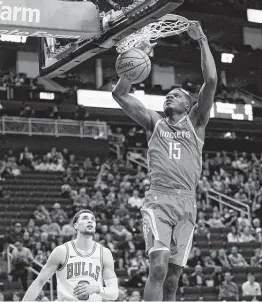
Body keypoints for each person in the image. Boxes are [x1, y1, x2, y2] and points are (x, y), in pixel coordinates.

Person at [112, 21, 217, 301]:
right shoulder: (153, 122)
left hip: (187, 202)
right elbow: (119, 94)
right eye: (168, 95)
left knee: (172, 281)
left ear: (188, 104)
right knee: (157, 268)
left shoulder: (196, 122)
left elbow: (212, 82)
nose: (170, 95)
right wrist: (132, 66)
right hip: (159, 200)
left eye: (177, 95)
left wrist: (202, 39)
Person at [22, 209, 119, 301]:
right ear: (76, 226)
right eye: (85, 218)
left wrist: (97, 289)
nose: (90, 221)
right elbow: (39, 282)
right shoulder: (62, 251)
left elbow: (114, 293)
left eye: (93, 219)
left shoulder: (105, 253)